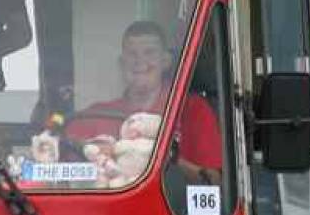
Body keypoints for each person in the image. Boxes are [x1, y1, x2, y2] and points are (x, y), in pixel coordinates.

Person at [66, 21, 222, 184]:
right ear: (122, 63)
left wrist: (166, 157)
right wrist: (98, 154)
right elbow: (60, 163)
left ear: (166, 61)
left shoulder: (192, 110)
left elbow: (215, 181)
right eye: (132, 54)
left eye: (149, 52)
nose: (139, 61)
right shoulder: (94, 116)